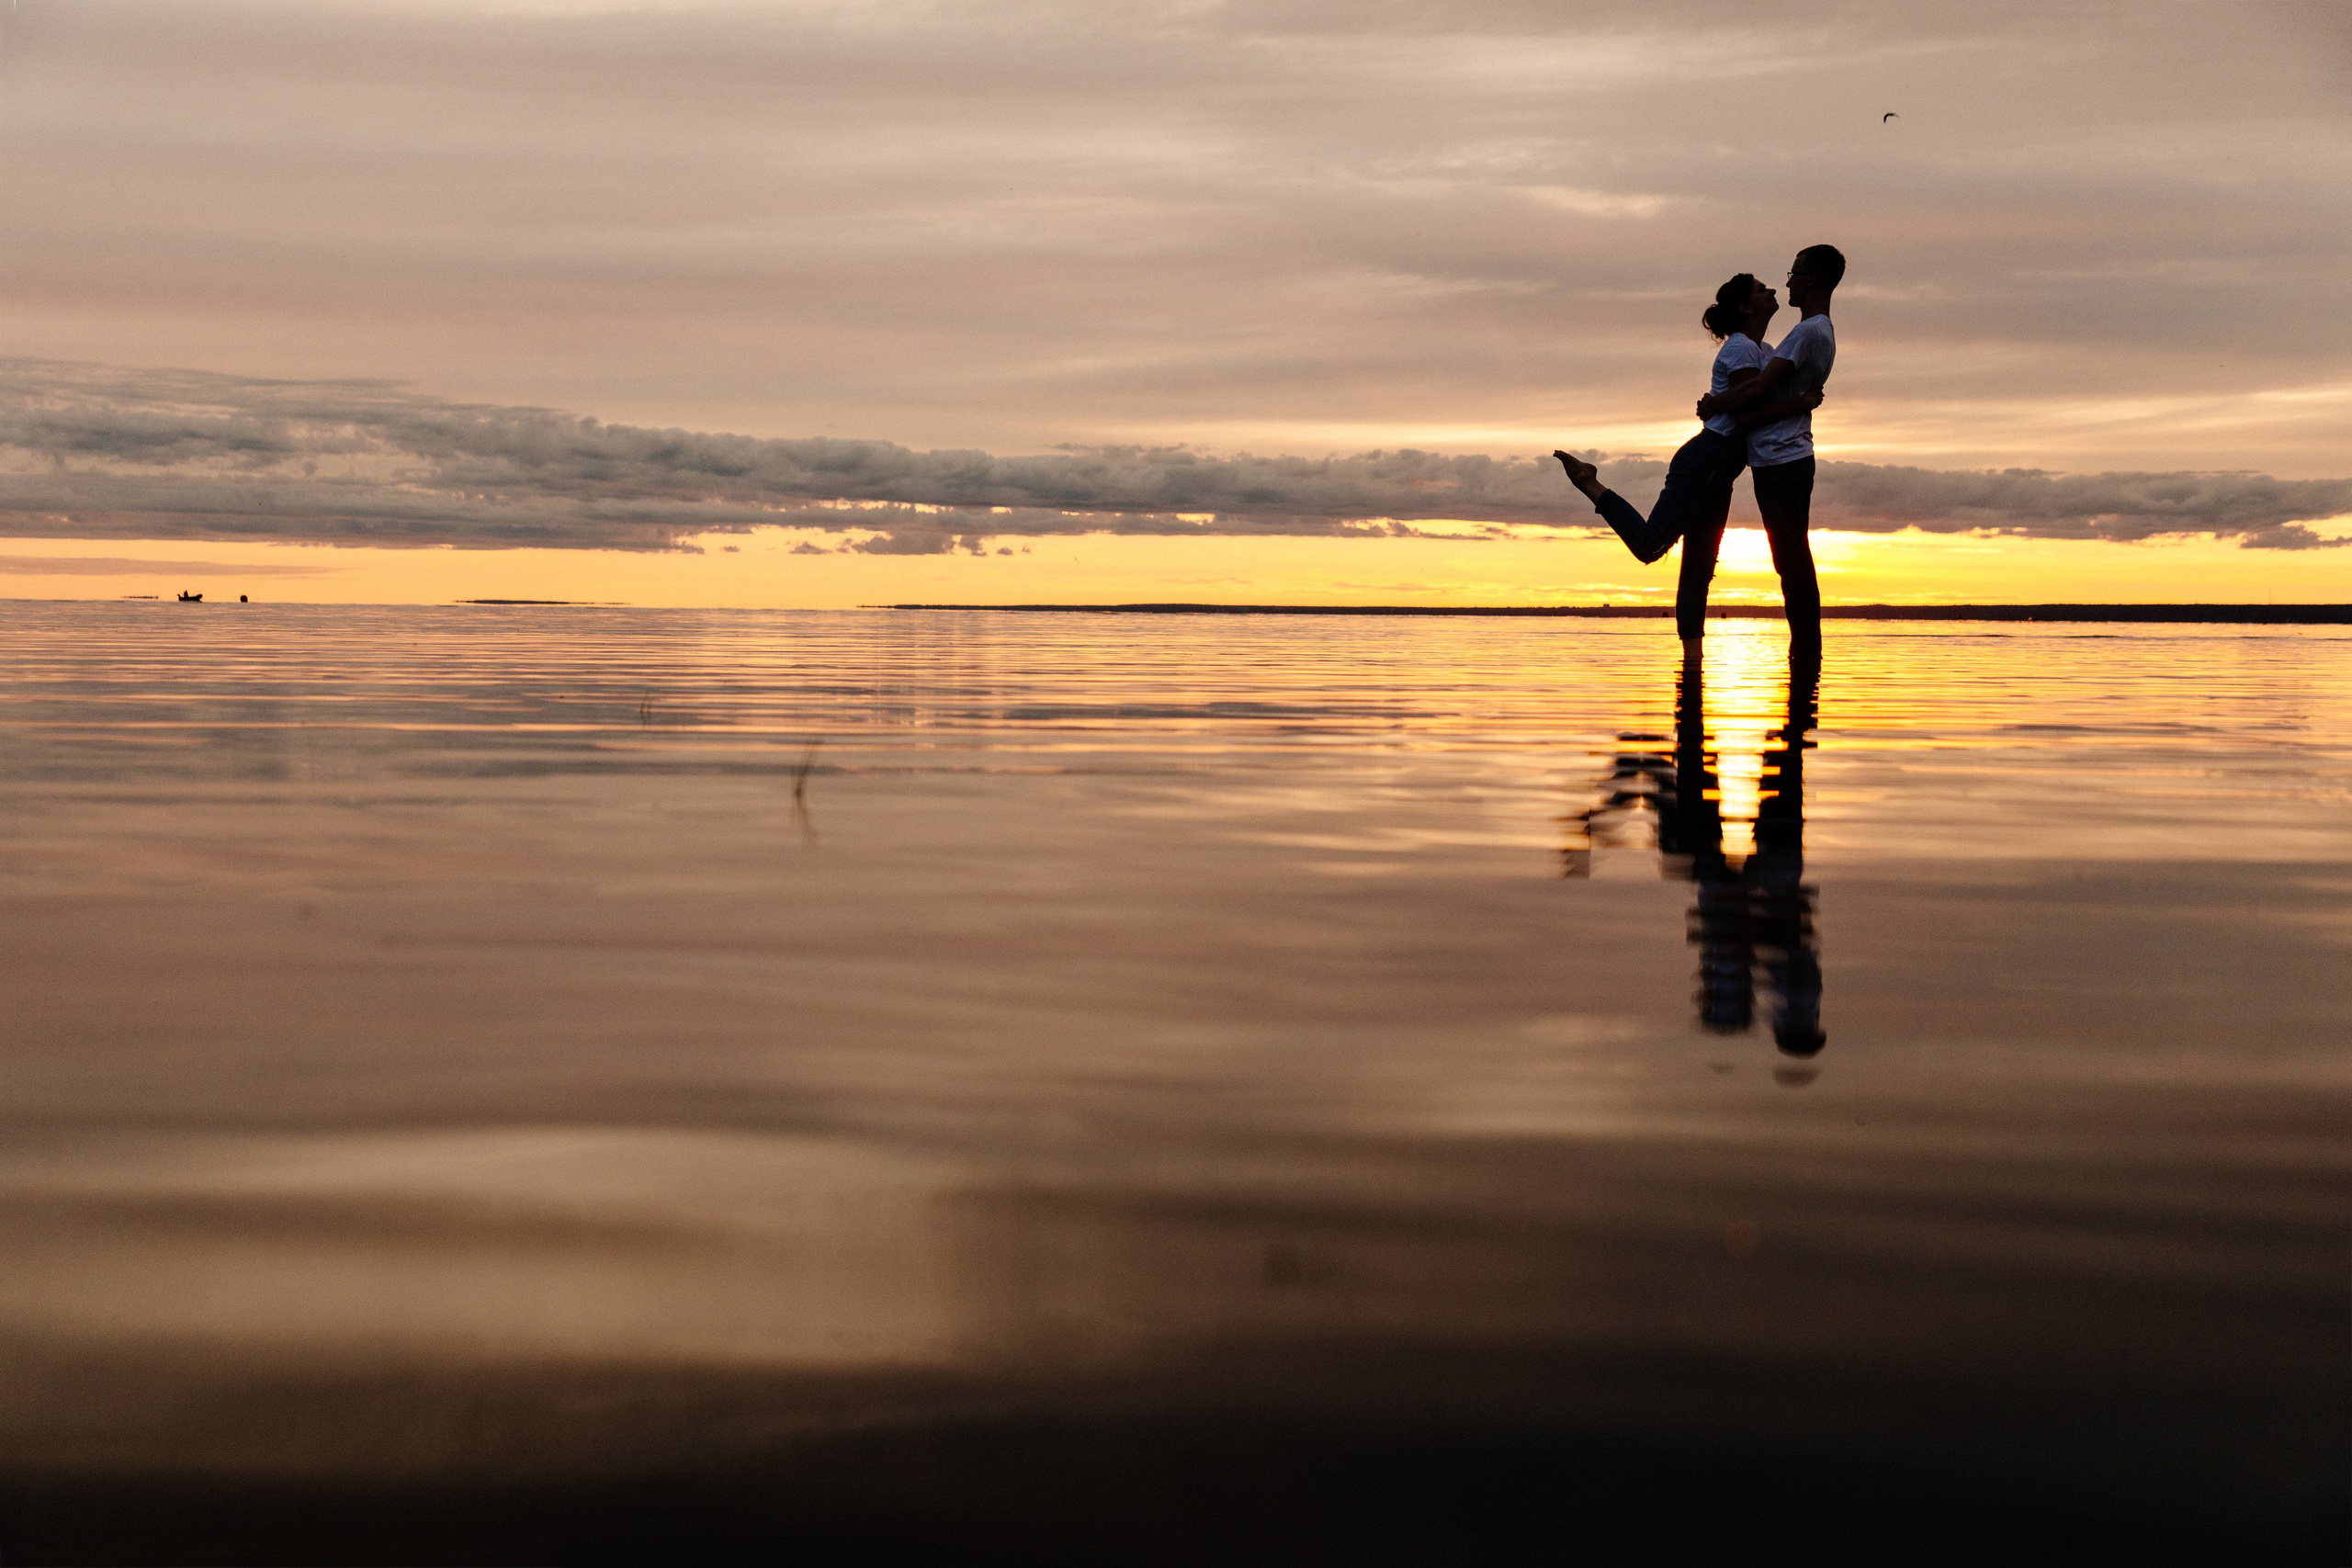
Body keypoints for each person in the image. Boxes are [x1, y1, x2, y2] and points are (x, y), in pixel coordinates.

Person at [1551, 274, 1818, 577]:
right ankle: (1588, 481)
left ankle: (1692, 628)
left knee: (1699, 568)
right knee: (1649, 546)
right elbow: (1749, 415)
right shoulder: (1741, 348)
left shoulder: (1764, 350)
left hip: (1720, 470)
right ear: (1745, 307)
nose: (1771, 289)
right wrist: (1802, 403)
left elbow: (1758, 393)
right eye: (1760, 289)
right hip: (1706, 461)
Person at [1689, 243, 1845, 652]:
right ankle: (1806, 652)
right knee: (1791, 557)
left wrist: (1713, 403)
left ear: (1812, 279)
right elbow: (1769, 391)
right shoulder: (1815, 331)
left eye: (1794, 274)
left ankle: (1807, 651)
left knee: (1791, 559)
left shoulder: (1806, 332)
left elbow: (1757, 390)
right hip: (1784, 458)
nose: (1787, 281)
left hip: (1782, 458)